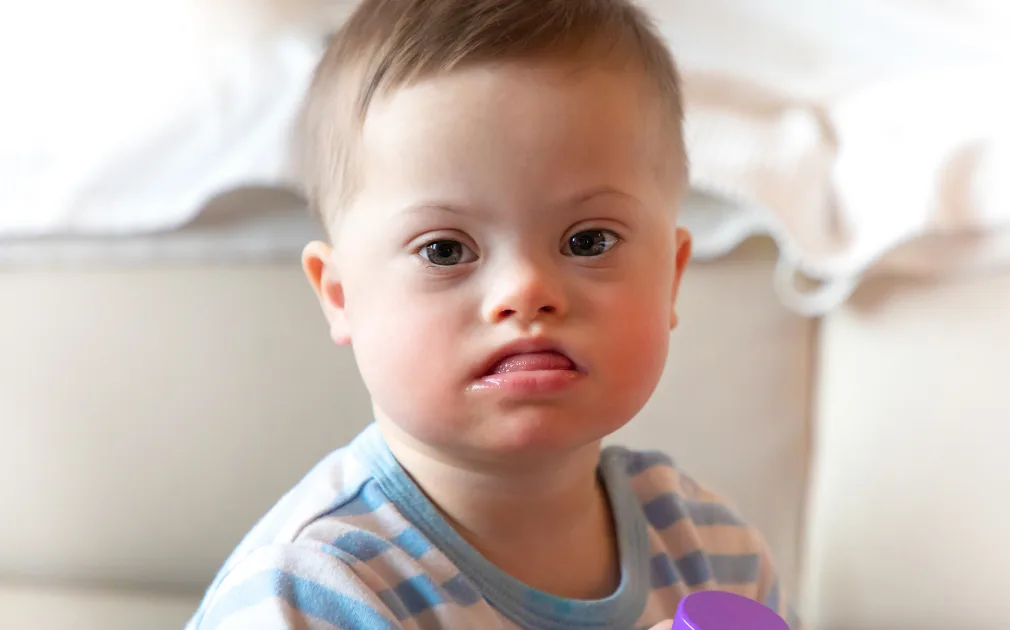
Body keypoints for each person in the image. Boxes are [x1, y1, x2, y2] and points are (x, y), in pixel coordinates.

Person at [187, 1, 794, 628]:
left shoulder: (713, 553)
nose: (527, 290)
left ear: (670, 276)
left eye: (589, 241)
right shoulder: (313, 590)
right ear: (341, 297)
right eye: (445, 250)